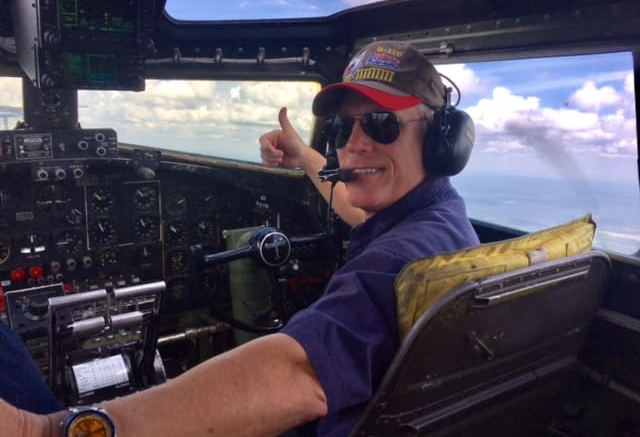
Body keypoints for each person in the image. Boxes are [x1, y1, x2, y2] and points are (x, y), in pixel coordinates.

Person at [0, 40, 479, 437]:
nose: (353, 144)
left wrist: (41, 432)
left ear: (444, 139)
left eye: (380, 123)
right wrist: (303, 152)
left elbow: (300, 374)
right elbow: (354, 206)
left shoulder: (403, 262)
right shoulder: (437, 220)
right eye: (343, 126)